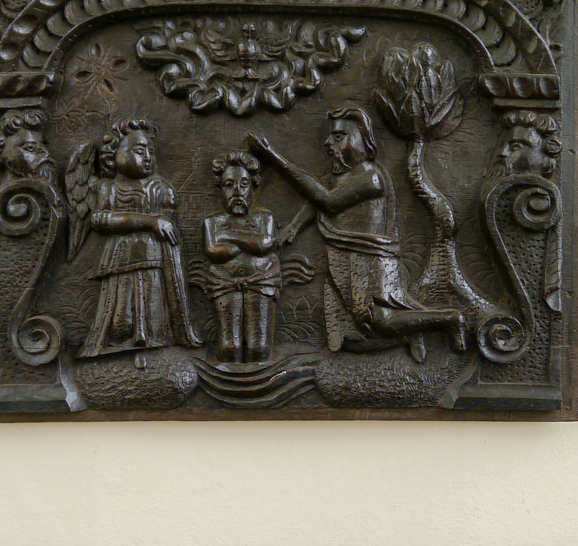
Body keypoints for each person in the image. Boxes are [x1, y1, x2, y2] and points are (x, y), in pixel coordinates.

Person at [247, 107, 465, 361]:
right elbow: (317, 199)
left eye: (339, 137)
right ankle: (409, 333)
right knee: (349, 334)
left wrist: (274, 159)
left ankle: (449, 318)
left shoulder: (371, 177)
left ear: (363, 140)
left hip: (370, 259)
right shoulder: (337, 176)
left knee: (378, 320)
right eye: (330, 136)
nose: (328, 143)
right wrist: (294, 227)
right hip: (344, 258)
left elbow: (328, 201)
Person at [78, 117, 200, 365]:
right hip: (119, 261)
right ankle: (119, 355)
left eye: (151, 152)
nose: (147, 157)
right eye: (138, 150)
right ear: (113, 156)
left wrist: (154, 222)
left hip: (154, 259)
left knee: (154, 316)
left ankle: (153, 355)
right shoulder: (108, 189)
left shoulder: (161, 189)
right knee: (121, 319)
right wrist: (148, 222)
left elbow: (167, 223)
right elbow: (100, 220)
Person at [201, 150, 280, 363]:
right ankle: (228, 381)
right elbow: (214, 251)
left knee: (259, 348)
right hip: (224, 283)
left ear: (253, 186)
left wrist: (228, 236)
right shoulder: (212, 222)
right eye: (229, 185)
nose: (237, 191)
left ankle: (261, 381)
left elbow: (264, 245)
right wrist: (249, 242)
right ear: (220, 188)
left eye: (243, 184)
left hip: (261, 282)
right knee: (229, 347)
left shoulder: (265, 218)